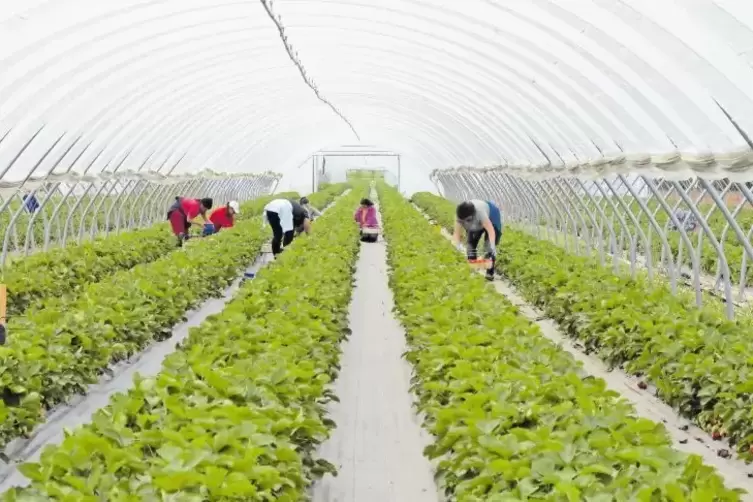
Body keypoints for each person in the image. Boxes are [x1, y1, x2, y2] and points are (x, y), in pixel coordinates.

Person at [452, 199, 503, 281]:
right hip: (476, 222)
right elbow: (457, 233)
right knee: (470, 244)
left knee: (488, 246)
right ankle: (473, 269)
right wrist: (458, 245)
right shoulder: (459, 216)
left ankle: (489, 273)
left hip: (492, 216)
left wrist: (492, 245)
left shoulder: (480, 213)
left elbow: (491, 231)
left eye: (468, 220)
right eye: (463, 221)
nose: (465, 223)